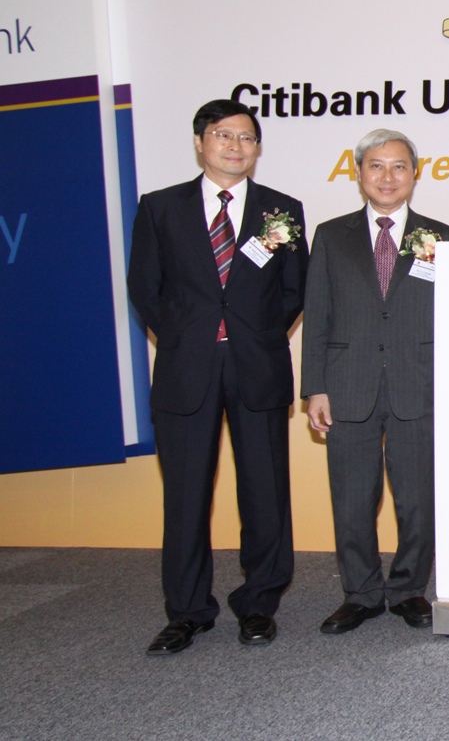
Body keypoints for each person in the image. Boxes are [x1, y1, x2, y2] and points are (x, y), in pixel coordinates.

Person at [128, 99, 308, 654]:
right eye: (223, 135)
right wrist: (193, 338)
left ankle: (259, 603)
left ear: (257, 148)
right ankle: (187, 611)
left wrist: (249, 334)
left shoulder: (283, 210)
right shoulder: (161, 208)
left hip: (258, 368)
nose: (235, 146)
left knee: (265, 492)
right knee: (184, 497)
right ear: (201, 142)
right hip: (188, 372)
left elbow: (293, 291)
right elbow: (146, 290)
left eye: (247, 138)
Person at [302, 129, 449, 634]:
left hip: (420, 385)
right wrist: (314, 387)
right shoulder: (331, 234)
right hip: (348, 386)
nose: (387, 177)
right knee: (352, 498)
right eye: (376, 166)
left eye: (398, 167)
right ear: (358, 172)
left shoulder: (442, 236)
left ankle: (410, 589)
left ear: (416, 173)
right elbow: (317, 314)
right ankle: (362, 593)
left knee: (417, 499)